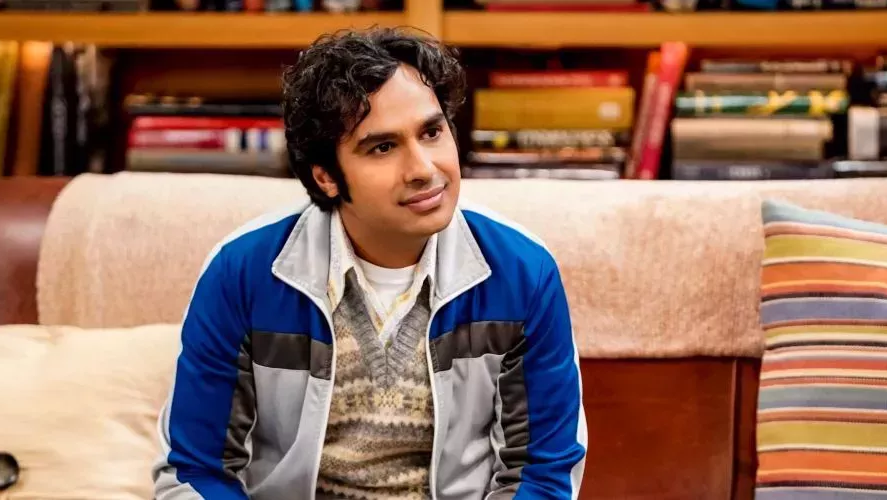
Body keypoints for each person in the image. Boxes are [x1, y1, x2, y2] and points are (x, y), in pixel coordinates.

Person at [152, 26, 587, 500]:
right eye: (383, 147)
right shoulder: (243, 274)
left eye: (432, 132)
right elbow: (194, 472)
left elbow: (542, 474)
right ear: (326, 176)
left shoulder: (523, 273)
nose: (424, 169)